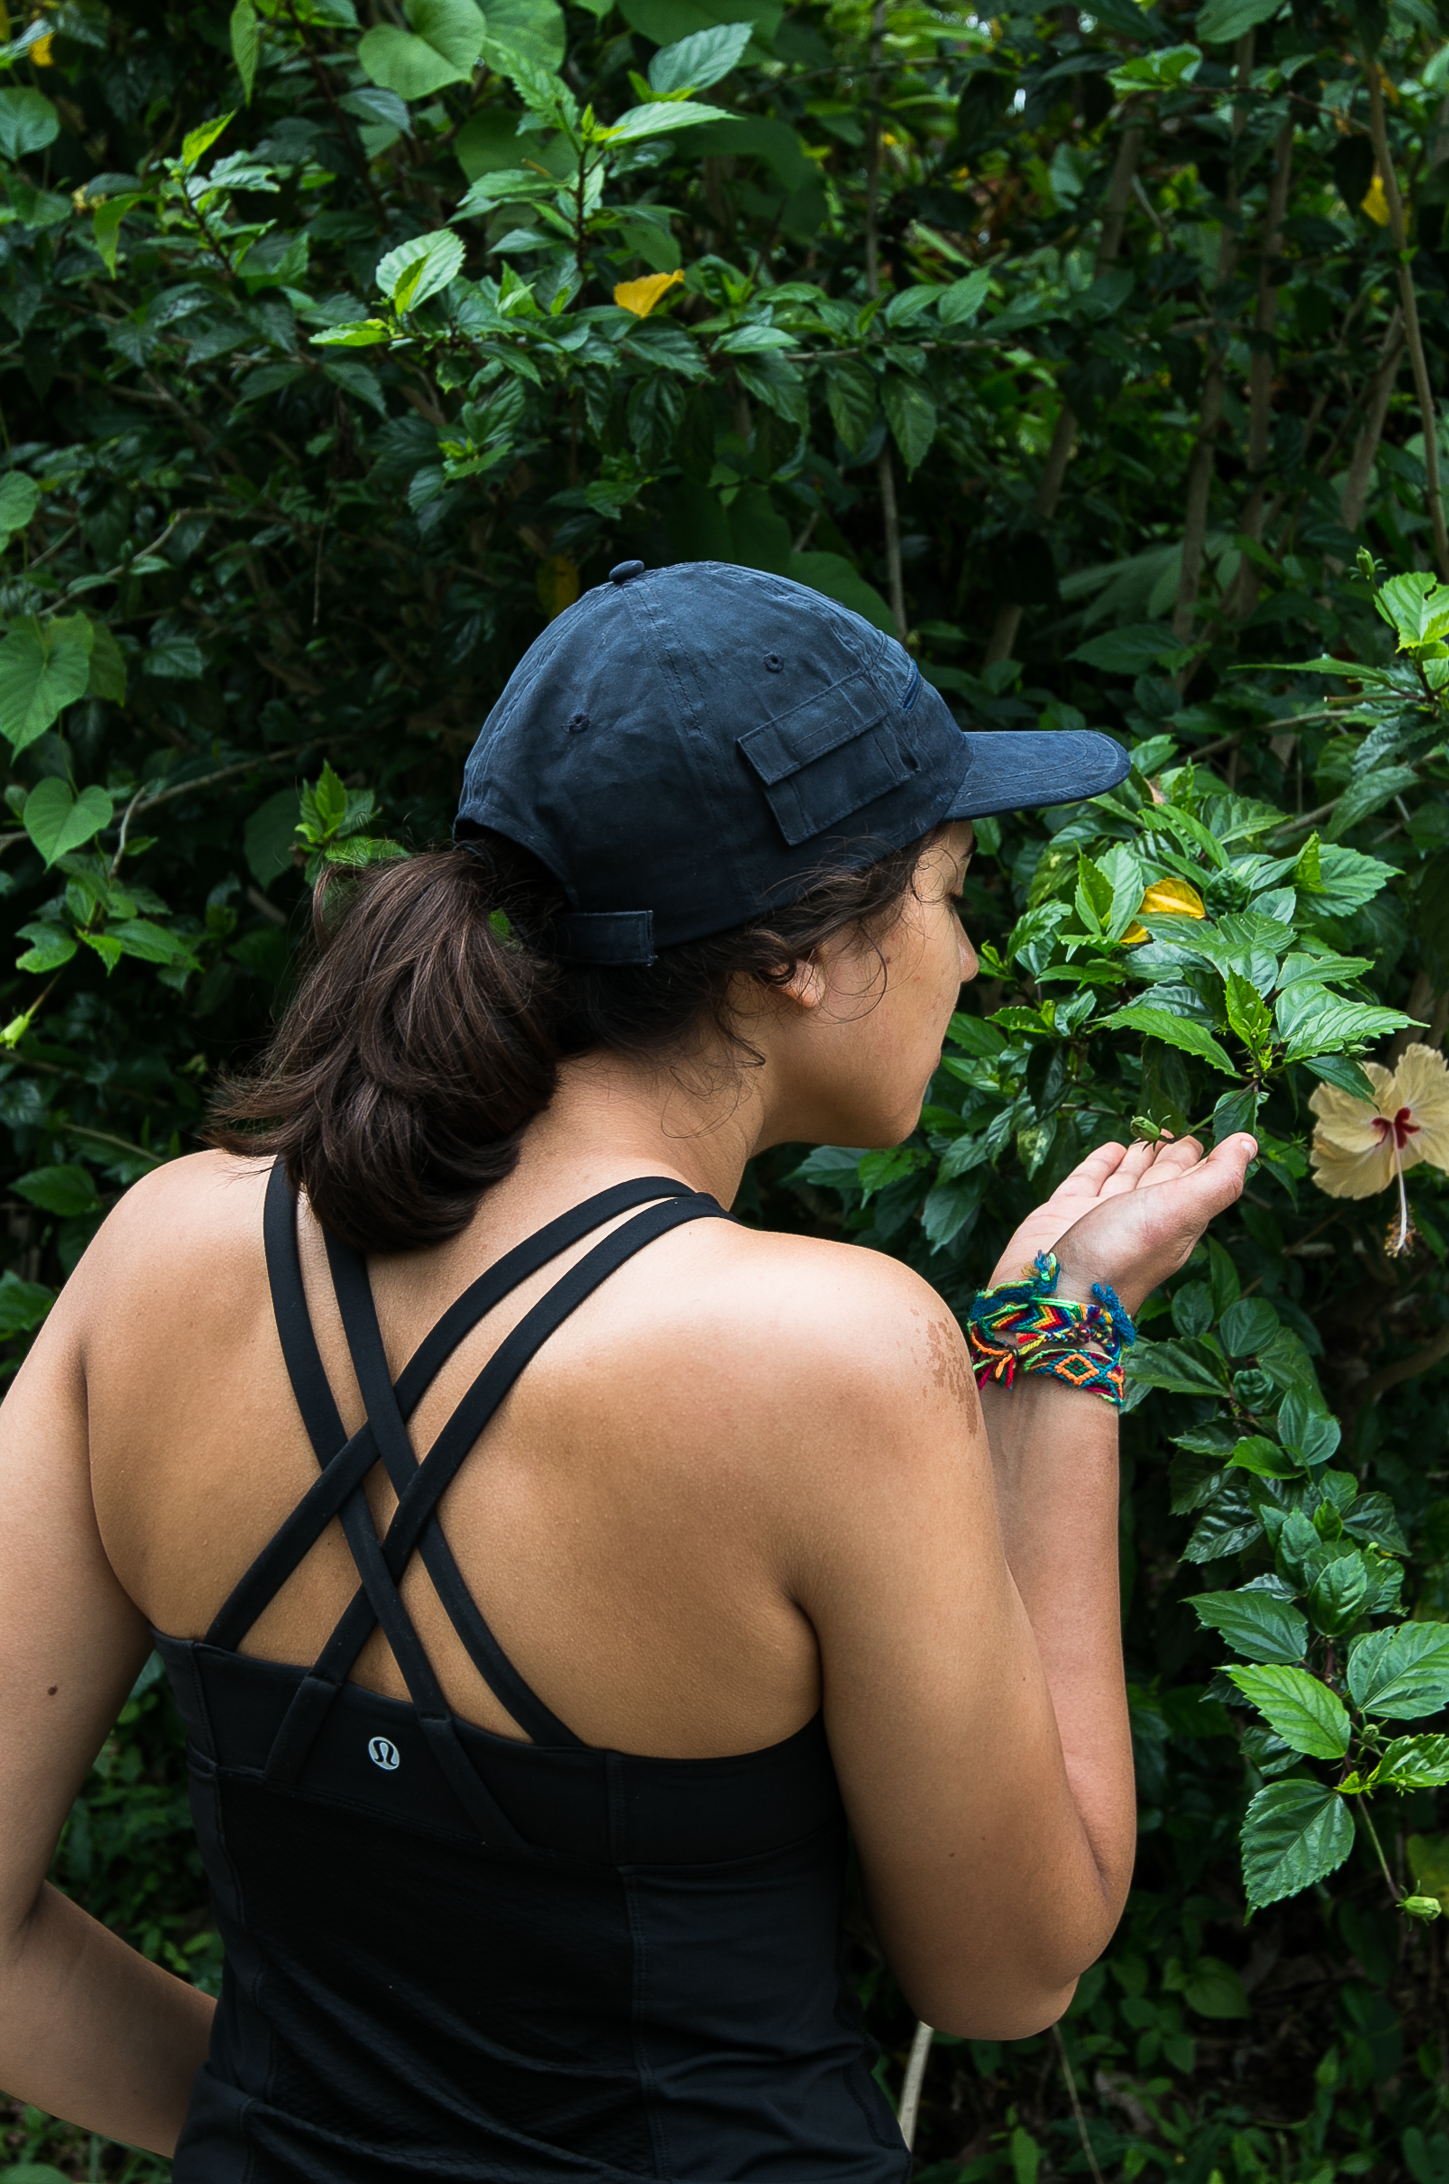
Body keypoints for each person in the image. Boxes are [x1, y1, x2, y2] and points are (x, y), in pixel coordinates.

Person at [0, 560, 1253, 2182]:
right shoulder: (831, 1356)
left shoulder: (158, 1253)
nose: (965, 957)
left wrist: (297, 2129)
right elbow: (1011, 1971)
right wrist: (1060, 1340)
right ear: (800, 955)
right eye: (949, 891)